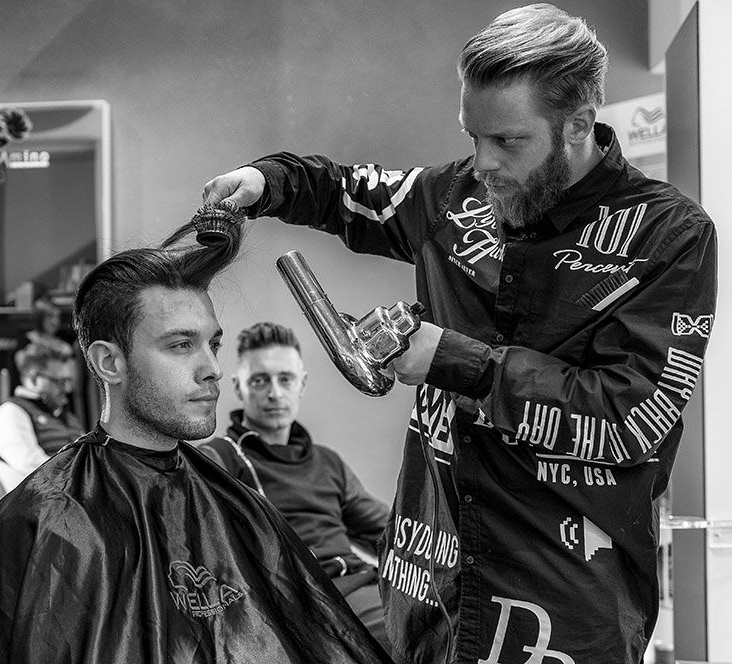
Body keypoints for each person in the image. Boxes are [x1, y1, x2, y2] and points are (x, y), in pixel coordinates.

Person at [201, 5, 717, 663]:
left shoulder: (668, 237)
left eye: (507, 142)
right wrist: (266, 182)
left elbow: (629, 418)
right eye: (472, 136)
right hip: (428, 580)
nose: (483, 164)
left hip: (562, 602)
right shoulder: (456, 196)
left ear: (580, 125)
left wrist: (457, 361)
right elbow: (344, 192)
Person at [0, 205, 393, 664]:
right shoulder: (46, 516)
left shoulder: (234, 502)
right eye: (180, 346)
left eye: (212, 344)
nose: (213, 369)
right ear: (109, 362)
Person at [199, 321, 392, 651]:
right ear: (239, 387)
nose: (274, 392)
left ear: (301, 384)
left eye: (285, 379)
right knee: (412, 642)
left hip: (365, 587)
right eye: (260, 381)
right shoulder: (220, 457)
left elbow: (391, 531)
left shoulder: (326, 461)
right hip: (306, 603)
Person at [0, 342, 85, 490]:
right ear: (33, 379)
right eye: (60, 381)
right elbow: (31, 465)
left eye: (69, 381)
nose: (67, 388)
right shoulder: (11, 412)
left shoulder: (68, 418)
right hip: (42, 508)